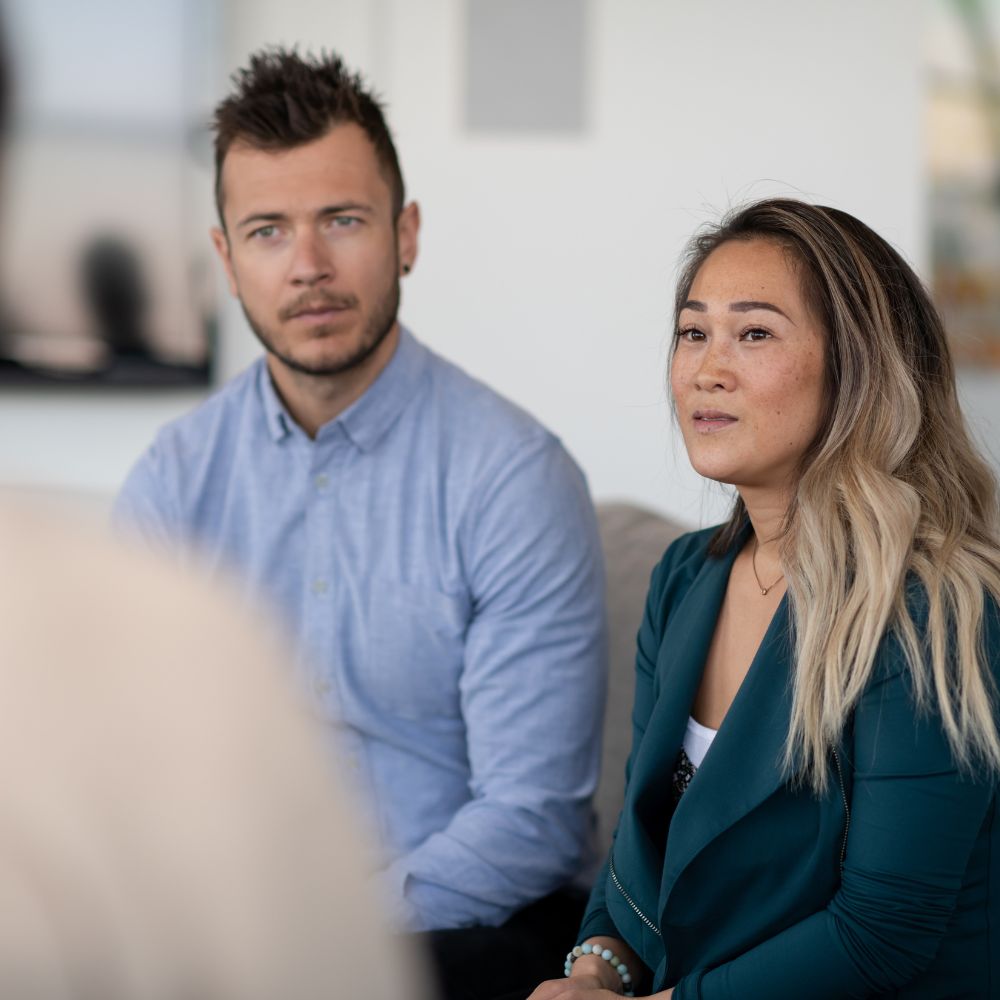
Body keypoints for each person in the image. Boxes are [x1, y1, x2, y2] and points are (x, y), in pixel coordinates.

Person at [114, 48, 608, 997]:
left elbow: (532, 816)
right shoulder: (172, 485)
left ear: (406, 233)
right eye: (267, 231)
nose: (308, 266)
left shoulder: (513, 477)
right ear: (224, 259)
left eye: (342, 221)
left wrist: (320, 941)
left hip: (460, 927)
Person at [529, 198, 1000, 999]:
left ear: (857, 366)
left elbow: (880, 935)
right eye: (692, 332)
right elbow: (642, 853)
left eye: (754, 334)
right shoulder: (684, 578)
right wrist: (594, 970)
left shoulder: (929, 609)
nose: (707, 369)